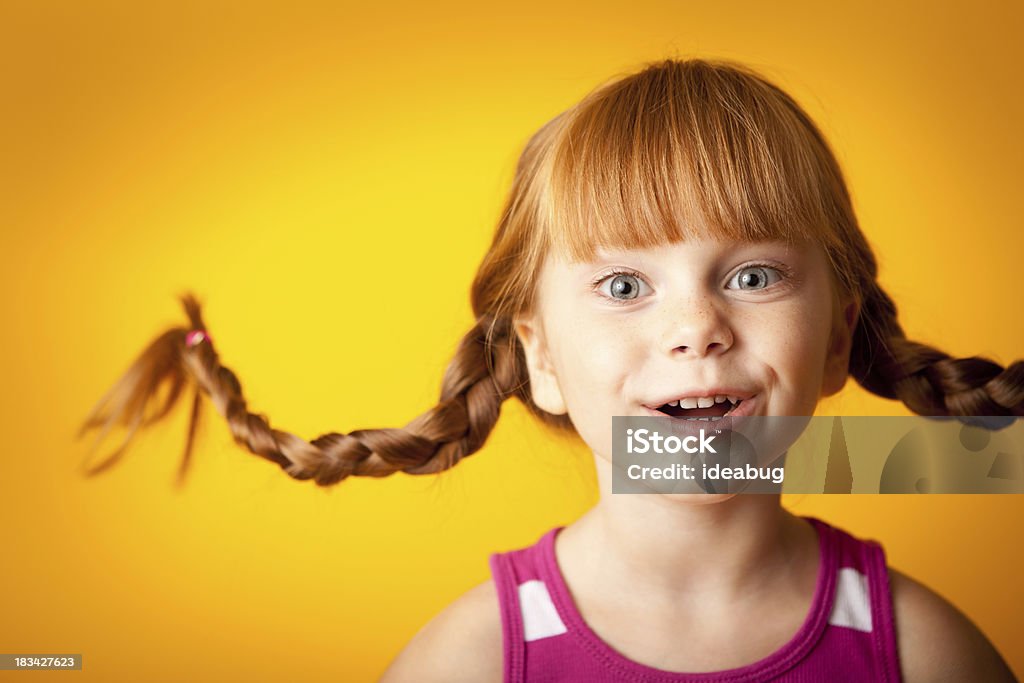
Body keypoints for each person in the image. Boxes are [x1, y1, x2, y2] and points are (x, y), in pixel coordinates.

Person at [79, 58, 1021, 682]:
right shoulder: (470, 661)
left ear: (834, 339)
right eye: (622, 284)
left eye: (754, 273)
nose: (696, 326)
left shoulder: (927, 653)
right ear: (540, 361)